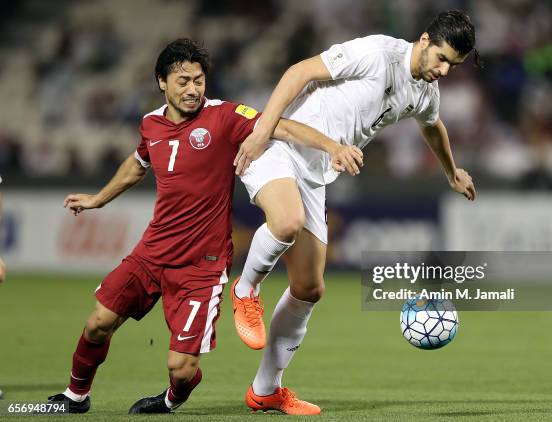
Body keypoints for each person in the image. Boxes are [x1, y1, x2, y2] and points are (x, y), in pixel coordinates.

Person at [47, 38, 362, 414]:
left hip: (202, 266)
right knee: (98, 322)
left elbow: (283, 128)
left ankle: (170, 398)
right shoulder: (150, 123)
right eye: (183, 81)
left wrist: (330, 146)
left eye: (198, 80)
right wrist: (98, 199)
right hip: (151, 253)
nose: (193, 89)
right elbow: (137, 163)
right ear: (162, 82)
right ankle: (75, 397)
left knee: (181, 370)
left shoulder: (225, 116)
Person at [230, 10, 479, 415]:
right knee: (287, 221)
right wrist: (261, 131)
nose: (445, 70)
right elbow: (299, 73)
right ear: (424, 40)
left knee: (310, 289)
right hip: (281, 146)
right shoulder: (376, 53)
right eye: (442, 58)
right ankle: (245, 289)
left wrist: (451, 173)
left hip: (315, 174)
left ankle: (265, 390)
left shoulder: (424, 93)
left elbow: (433, 125)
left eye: (453, 65)